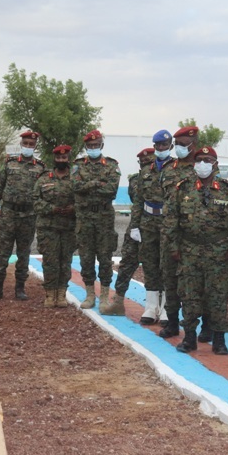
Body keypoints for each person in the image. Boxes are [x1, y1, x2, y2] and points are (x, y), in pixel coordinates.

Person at [164, 147, 228, 353]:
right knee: (189, 296)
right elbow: (171, 221)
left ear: (215, 164)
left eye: (207, 160)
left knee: (217, 297)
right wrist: (173, 247)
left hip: (218, 252)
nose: (202, 164)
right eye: (199, 160)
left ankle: (219, 340)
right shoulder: (182, 189)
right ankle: (189, 338)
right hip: (189, 250)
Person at [0, 130, 45, 301]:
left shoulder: (40, 167)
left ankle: (20, 287)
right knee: (2, 251)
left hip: (29, 214)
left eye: (31, 144)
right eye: (26, 143)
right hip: (8, 213)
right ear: (21, 145)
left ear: (35, 146)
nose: (28, 146)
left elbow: (43, 191)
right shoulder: (9, 164)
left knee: (24, 252)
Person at [102, 147, 157, 316]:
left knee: (155, 267)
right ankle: (118, 301)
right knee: (127, 264)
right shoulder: (136, 180)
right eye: (143, 163)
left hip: (155, 229)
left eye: (150, 162)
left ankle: (156, 307)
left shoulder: (163, 179)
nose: (147, 165)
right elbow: (137, 197)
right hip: (136, 227)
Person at [71, 130, 121, 311]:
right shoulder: (77, 165)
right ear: (86, 147)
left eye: (96, 145)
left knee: (105, 257)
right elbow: (75, 187)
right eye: (90, 146)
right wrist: (97, 183)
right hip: (84, 217)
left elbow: (112, 190)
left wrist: (87, 185)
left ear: (102, 145)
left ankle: (105, 297)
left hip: (104, 217)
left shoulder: (111, 165)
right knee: (86, 256)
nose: (93, 148)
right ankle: (90, 295)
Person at [158, 125, 199, 337]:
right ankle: (172, 323)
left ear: (194, 144)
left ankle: (203, 326)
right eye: (178, 145)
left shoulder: (202, 169)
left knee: (195, 283)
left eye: (184, 145)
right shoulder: (168, 169)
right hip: (170, 234)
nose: (179, 149)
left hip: (194, 236)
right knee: (170, 280)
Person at [132, 130, 173, 325]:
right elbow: (139, 200)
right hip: (148, 222)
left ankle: (166, 308)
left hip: (167, 222)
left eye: (165, 145)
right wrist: (134, 225)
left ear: (170, 146)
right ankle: (150, 306)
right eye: (158, 145)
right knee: (149, 263)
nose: (161, 148)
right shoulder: (146, 171)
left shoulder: (177, 169)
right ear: (155, 146)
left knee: (166, 264)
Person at [33, 145, 77, 308]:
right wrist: (52, 209)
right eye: (58, 158)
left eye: (64, 158)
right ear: (54, 159)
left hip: (69, 227)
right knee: (50, 261)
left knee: (65, 261)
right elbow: (35, 200)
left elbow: (83, 199)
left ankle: (61, 293)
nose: (61, 160)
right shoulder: (44, 178)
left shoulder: (75, 178)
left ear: (68, 159)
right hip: (48, 228)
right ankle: (50, 294)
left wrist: (74, 208)